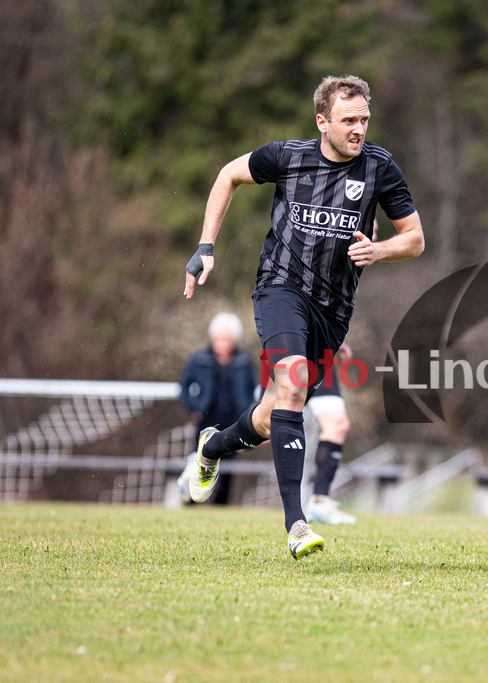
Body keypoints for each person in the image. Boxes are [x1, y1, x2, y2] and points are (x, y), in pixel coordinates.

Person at [182, 75, 424, 559]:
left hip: (333, 312)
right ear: (322, 121)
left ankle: (211, 448)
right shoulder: (287, 157)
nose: (358, 129)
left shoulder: (379, 167)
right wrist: (206, 247)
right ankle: (297, 524)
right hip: (280, 290)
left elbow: (414, 238)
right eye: (348, 120)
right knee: (291, 384)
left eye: (364, 120)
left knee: (274, 416)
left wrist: (378, 251)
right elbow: (227, 175)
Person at [177, 312, 257, 505]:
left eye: (227, 339)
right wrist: (194, 408)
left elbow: (251, 390)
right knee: (198, 461)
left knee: (229, 465)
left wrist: (247, 413)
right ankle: (190, 501)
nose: (222, 343)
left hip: (234, 420)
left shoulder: (244, 362)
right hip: (206, 418)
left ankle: (221, 503)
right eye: (219, 339)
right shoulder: (198, 360)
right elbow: (183, 387)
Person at [304, 343, 357, 526]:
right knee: (263, 427)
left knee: (338, 424)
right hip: (298, 346)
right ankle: (213, 447)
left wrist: (333, 340)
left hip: (319, 353)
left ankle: (320, 500)